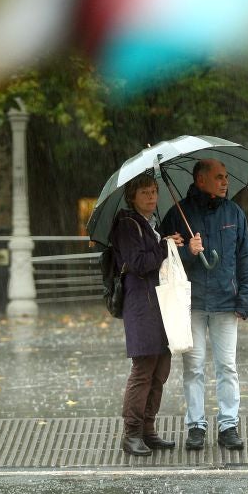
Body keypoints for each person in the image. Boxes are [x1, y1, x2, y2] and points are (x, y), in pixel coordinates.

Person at [159, 158, 248, 451]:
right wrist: (187, 251)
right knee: (194, 367)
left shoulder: (234, 213)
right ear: (201, 180)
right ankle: (196, 426)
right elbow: (166, 263)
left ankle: (229, 425)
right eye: (219, 177)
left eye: (226, 177)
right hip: (193, 304)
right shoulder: (178, 215)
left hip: (226, 304)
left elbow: (246, 259)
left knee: (227, 366)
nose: (225, 182)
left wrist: (245, 299)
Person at [110, 172, 184, 456]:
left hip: (160, 303)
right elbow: (139, 263)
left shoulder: (152, 224)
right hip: (141, 305)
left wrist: (164, 241)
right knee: (143, 369)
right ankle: (131, 433)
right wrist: (164, 246)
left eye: (154, 192)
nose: (152, 197)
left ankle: (148, 429)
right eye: (145, 193)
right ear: (133, 197)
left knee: (160, 369)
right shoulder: (127, 225)